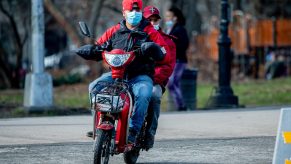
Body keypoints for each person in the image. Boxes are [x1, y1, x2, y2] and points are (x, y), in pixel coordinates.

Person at [76, 0, 168, 148]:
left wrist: (152, 49)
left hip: (140, 76)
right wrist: (93, 50)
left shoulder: (150, 31)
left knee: (144, 94)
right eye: (131, 10)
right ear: (124, 12)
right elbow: (99, 45)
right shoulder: (114, 30)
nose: (135, 13)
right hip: (115, 75)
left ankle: (134, 130)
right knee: (93, 87)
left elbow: (164, 52)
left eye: (137, 10)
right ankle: (98, 124)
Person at [142, 5, 176, 149]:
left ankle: (150, 132)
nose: (153, 23)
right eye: (150, 20)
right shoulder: (135, 35)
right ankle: (104, 129)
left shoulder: (167, 41)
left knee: (154, 95)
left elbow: (167, 67)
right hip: (132, 77)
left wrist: (151, 79)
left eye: (155, 20)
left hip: (154, 80)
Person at [165, 7, 189, 111]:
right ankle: (180, 105)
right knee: (173, 83)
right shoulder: (169, 29)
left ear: (175, 17)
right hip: (172, 60)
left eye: (169, 16)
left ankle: (181, 105)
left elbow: (185, 44)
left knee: (172, 82)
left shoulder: (180, 29)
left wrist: (172, 47)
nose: (167, 19)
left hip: (179, 59)